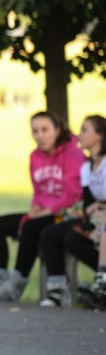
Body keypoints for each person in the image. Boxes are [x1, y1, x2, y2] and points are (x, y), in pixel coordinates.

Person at [0, 111, 85, 302]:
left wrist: (44, 212)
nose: (39, 136)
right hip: (43, 210)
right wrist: (34, 209)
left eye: (44, 130)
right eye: (35, 131)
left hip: (66, 213)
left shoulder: (73, 153)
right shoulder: (35, 156)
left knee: (32, 226)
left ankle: (15, 285)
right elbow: (39, 191)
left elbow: (73, 193)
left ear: (57, 130)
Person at [40, 115, 105, 307]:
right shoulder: (87, 167)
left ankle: (102, 282)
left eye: (85, 130)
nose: (79, 135)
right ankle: (58, 290)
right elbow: (88, 202)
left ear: (100, 135)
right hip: (95, 217)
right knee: (54, 234)